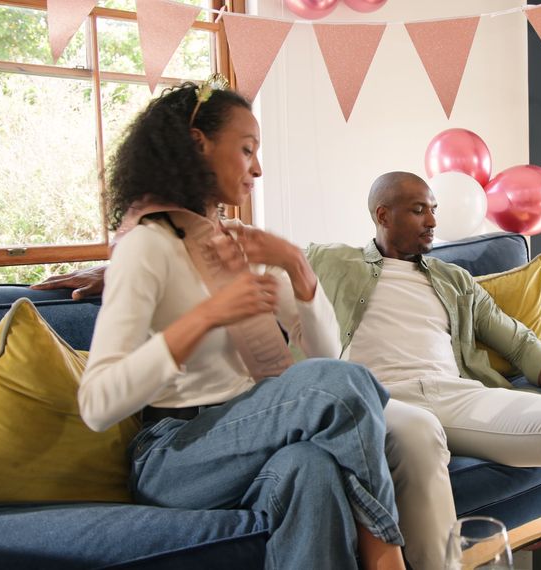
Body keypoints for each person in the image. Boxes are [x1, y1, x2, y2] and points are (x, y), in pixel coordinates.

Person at [36, 171, 541, 570]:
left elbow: (516, 339)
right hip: (374, 399)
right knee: (415, 435)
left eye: (435, 210)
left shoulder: (456, 280)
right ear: (382, 213)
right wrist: (117, 270)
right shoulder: (329, 259)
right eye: (418, 209)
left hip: (456, 391)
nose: (431, 221)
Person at [75, 77, 405, 570]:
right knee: (343, 388)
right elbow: (97, 405)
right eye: (247, 149)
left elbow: (324, 359)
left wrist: (295, 264)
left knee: (310, 468)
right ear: (197, 145)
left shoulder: (243, 246)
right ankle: (389, 560)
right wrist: (206, 317)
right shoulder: (148, 246)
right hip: (173, 455)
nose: (258, 168)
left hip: (253, 435)